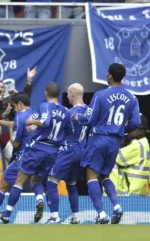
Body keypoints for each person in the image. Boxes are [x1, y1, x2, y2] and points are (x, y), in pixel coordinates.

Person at [0, 82, 72, 224]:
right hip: (52, 151)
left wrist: (32, 121)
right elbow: (69, 132)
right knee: (36, 180)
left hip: (38, 148)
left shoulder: (45, 106)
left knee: (19, 180)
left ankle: (7, 214)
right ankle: (39, 199)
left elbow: (45, 121)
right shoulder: (65, 111)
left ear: (46, 93)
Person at [76, 63, 140, 224]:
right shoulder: (132, 97)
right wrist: (122, 130)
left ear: (110, 75)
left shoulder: (100, 95)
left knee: (91, 175)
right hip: (115, 141)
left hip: (99, 138)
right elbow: (136, 122)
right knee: (105, 175)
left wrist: (76, 117)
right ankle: (117, 206)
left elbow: (89, 119)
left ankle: (101, 213)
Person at [0, 92, 37, 223]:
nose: (14, 109)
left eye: (14, 107)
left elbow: (15, 143)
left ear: (19, 104)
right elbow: (15, 123)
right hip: (37, 156)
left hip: (23, 157)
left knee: (2, 186)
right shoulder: (35, 114)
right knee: (35, 184)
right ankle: (51, 212)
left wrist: (11, 130)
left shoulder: (20, 116)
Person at [45, 83, 88, 224]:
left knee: (51, 181)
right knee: (72, 184)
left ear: (72, 94)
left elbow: (57, 129)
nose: (67, 97)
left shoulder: (69, 113)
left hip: (68, 149)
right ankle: (76, 217)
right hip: (81, 150)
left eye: (68, 94)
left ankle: (54, 217)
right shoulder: (90, 111)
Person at [115, 114, 150, 196]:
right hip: (138, 191)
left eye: (132, 128)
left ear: (141, 130)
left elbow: (116, 157)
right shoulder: (144, 143)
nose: (129, 130)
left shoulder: (137, 145)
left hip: (130, 193)